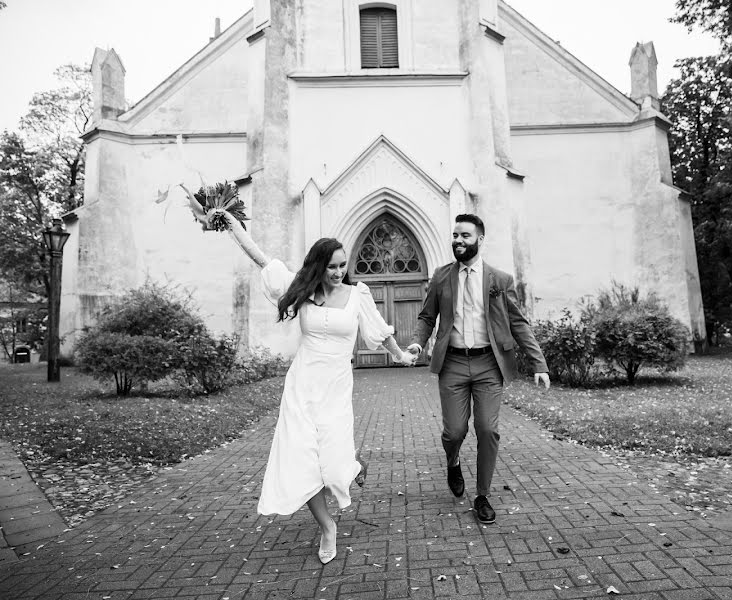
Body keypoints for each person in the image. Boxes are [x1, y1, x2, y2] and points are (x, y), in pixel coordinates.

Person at [222, 212, 416, 564]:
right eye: (331, 266)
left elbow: (378, 331)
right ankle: (328, 527)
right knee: (302, 458)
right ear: (318, 266)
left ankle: (350, 465)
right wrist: (233, 227)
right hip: (301, 385)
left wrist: (402, 356)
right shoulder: (303, 291)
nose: (338, 272)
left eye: (342, 265)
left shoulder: (358, 294)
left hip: (336, 388)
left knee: (333, 462)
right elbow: (262, 259)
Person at [407, 213, 550, 524]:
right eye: (455, 235)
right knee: (454, 431)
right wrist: (419, 342)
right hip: (453, 364)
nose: (458, 240)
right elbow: (427, 317)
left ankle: (482, 494)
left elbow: (518, 323)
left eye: (465, 236)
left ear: (480, 240)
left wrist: (538, 363)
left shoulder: (499, 280)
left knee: (488, 429)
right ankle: (453, 460)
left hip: (488, 364)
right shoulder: (442, 277)